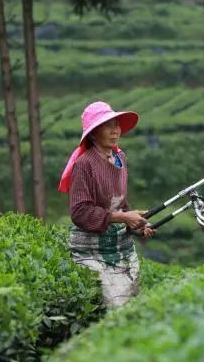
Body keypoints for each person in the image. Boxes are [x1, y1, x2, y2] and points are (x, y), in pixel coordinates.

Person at [58, 101, 154, 308]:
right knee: (115, 306)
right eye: (107, 126)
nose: (115, 130)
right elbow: (80, 212)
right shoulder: (84, 165)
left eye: (116, 124)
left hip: (120, 245)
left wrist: (136, 223)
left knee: (131, 305)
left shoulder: (120, 157)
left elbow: (121, 204)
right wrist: (123, 217)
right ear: (93, 134)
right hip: (93, 248)